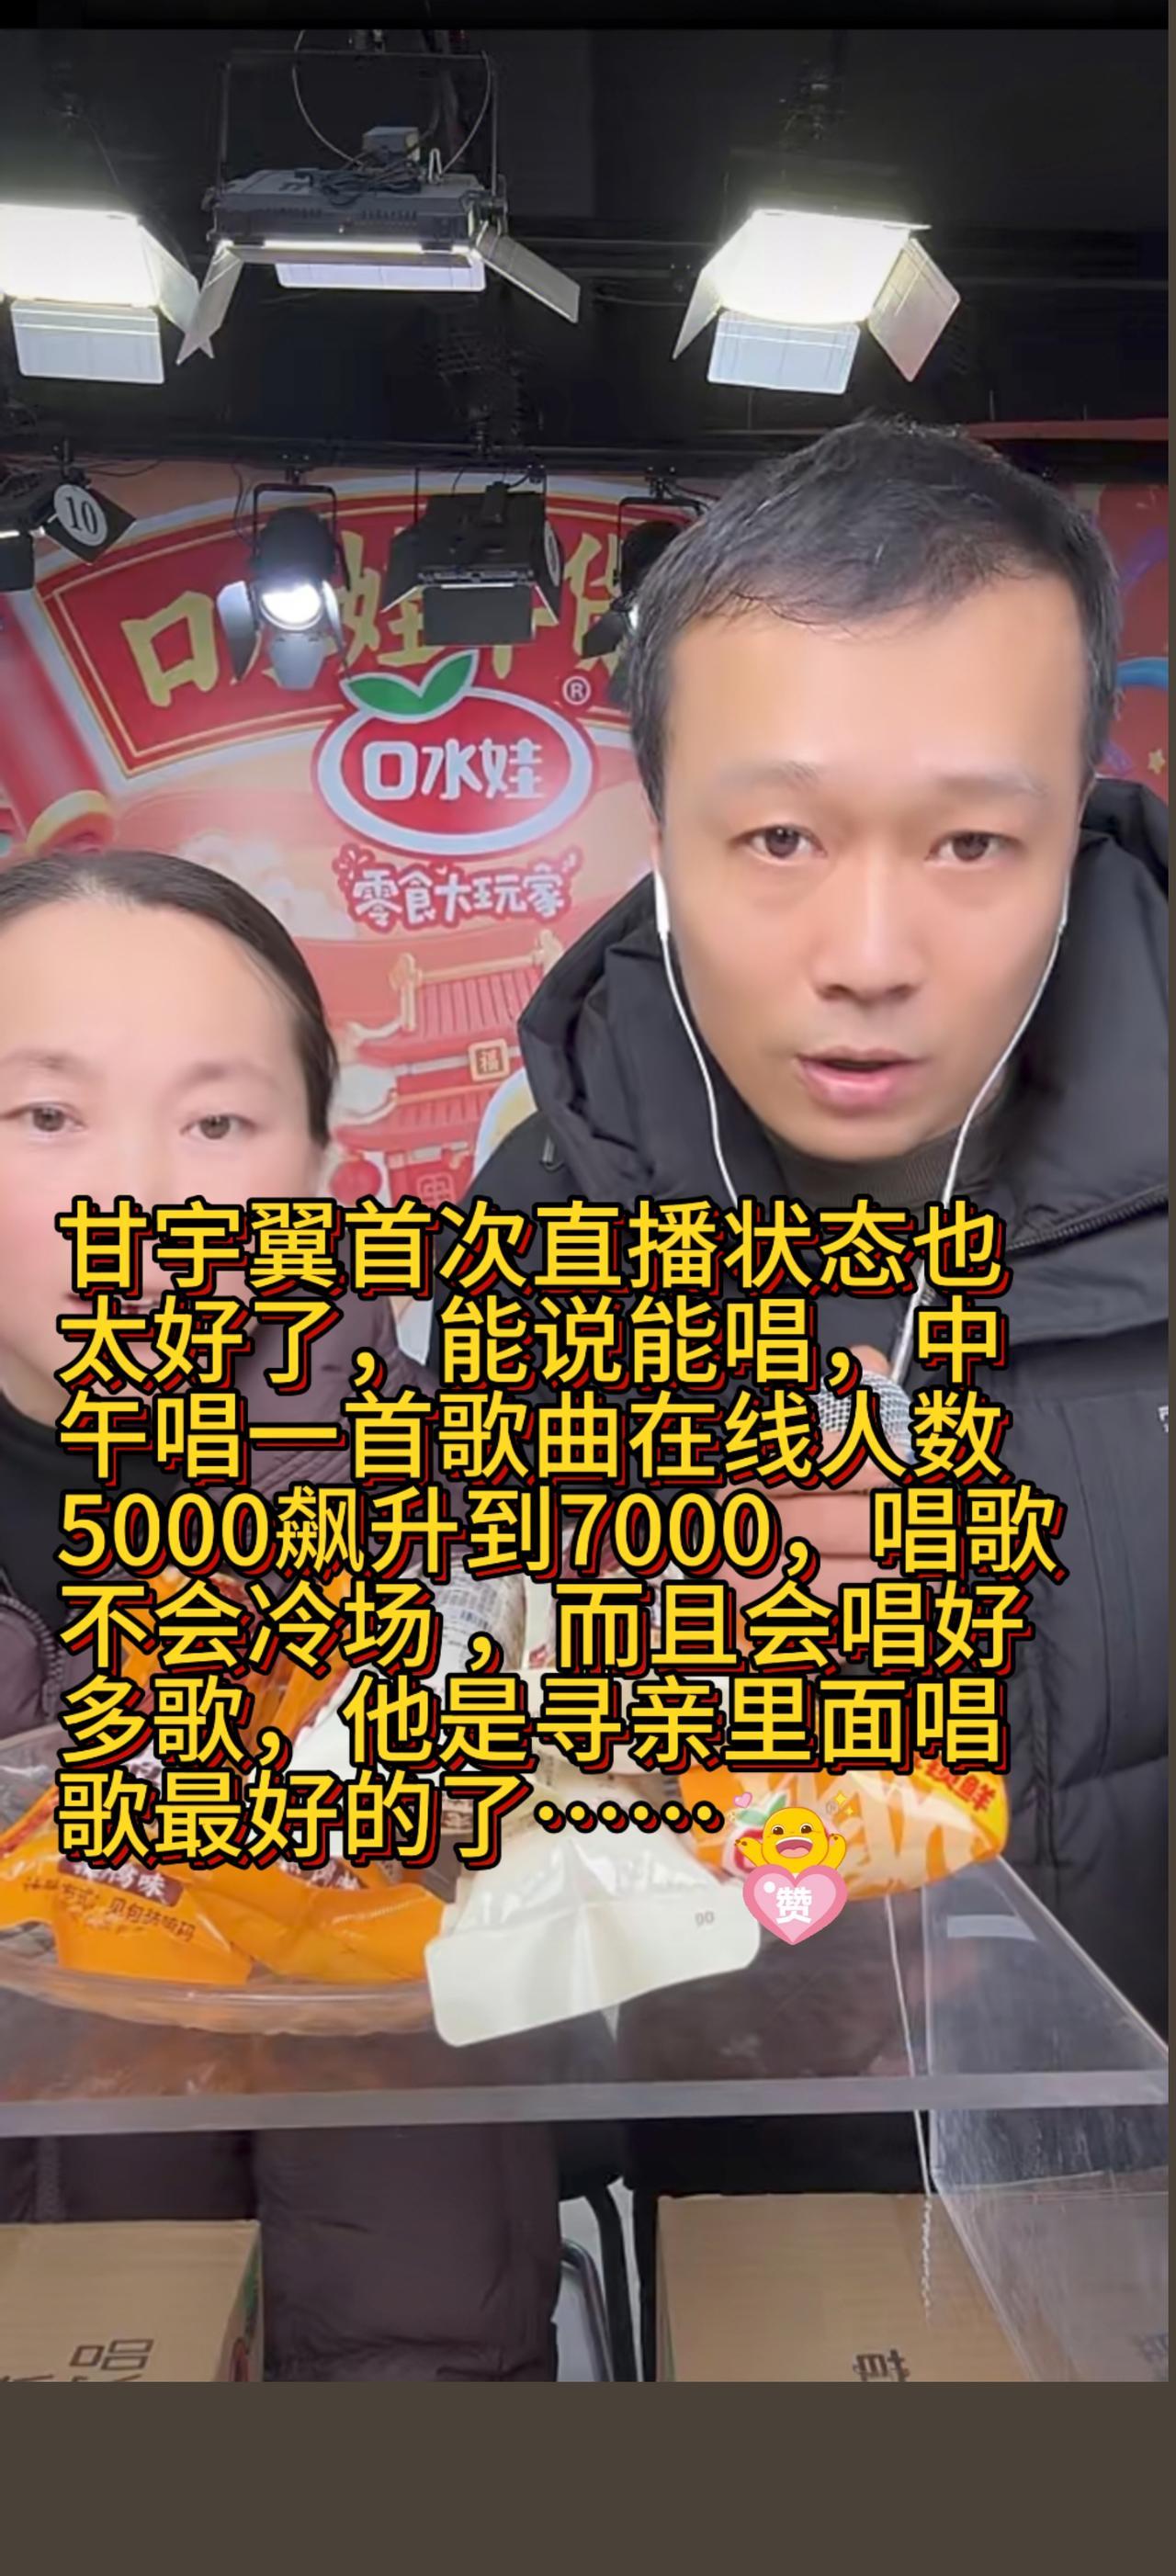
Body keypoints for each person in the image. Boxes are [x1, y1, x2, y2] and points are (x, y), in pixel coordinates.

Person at [446, 417, 1168, 2349]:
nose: (868, 955)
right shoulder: (544, 1208)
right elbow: (486, 1765)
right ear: (659, 828)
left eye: (971, 843)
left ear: (1081, 809)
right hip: (756, 2199)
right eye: (777, 839)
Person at [0, 848, 561, 2381]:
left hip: (416, 2313)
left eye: (216, 1122)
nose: (131, 1195)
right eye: (47, 1116)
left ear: (318, 1162)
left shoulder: (471, 1451)